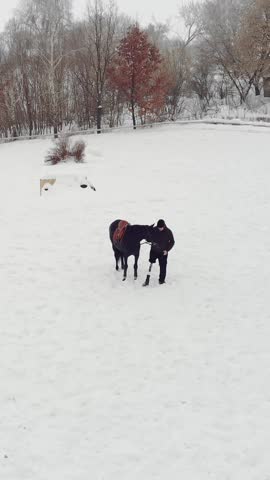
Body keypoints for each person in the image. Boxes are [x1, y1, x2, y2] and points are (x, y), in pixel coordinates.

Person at [149, 219, 175, 284]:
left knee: (163, 266)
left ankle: (161, 280)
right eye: (159, 227)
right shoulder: (154, 229)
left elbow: (172, 242)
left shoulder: (168, 232)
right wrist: (151, 241)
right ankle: (148, 277)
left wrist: (167, 250)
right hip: (154, 251)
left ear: (164, 226)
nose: (160, 229)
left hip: (163, 253)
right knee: (151, 263)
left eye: (161, 228)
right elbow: (149, 237)